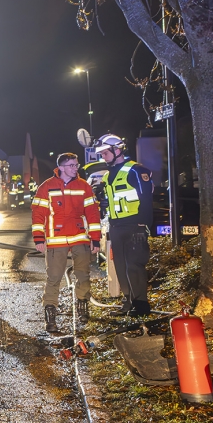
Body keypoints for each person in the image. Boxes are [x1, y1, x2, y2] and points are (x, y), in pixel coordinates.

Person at [32, 153, 102, 333]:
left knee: (83, 275)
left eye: (76, 165)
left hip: (80, 237)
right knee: (54, 277)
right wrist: (39, 238)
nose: (75, 168)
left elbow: (93, 213)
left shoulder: (84, 186)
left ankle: (82, 305)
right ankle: (50, 314)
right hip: (56, 240)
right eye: (71, 165)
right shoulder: (46, 187)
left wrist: (95, 238)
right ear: (61, 168)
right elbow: (38, 214)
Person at [95, 134, 154, 317]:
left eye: (105, 152)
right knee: (121, 267)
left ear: (118, 150)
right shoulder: (107, 176)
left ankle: (141, 306)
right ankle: (128, 303)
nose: (103, 156)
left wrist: (144, 226)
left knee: (134, 266)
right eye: (101, 153)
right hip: (116, 226)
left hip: (134, 225)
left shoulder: (135, 171)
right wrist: (103, 201)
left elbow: (146, 199)